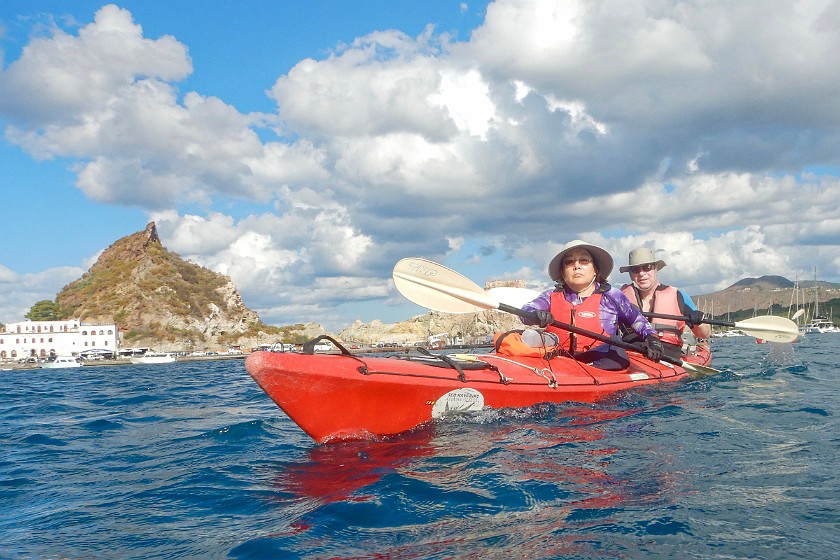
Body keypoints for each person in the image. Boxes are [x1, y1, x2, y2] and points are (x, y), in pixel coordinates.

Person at [520, 240, 664, 370]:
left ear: (595, 269)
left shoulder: (612, 296)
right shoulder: (550, 296)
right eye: (569, 262)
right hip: (560, 363)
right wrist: (535, 315)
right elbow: (526, 312)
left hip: (603, 364)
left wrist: (652, 339)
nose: (576, 266)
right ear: (563, 273)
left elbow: (638, 322)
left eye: (584, 261)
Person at [619, 247, 711, 358]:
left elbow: (705, 334)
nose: (641, 273)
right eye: (635, 270)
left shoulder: (678, 296)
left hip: (666, 356)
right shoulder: (620, 298)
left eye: (647, 268)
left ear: (655, 268)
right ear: (630, 274)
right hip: (631, 354)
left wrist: (699, 322)